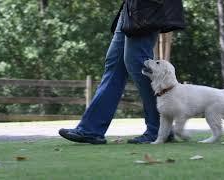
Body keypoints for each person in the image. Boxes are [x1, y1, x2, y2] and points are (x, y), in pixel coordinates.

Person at [59, 0, 185, 144]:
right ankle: (90, 129)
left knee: (139, 63)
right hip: (131, 6)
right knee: (115, 65)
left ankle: (161, 128)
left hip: (148, 5)